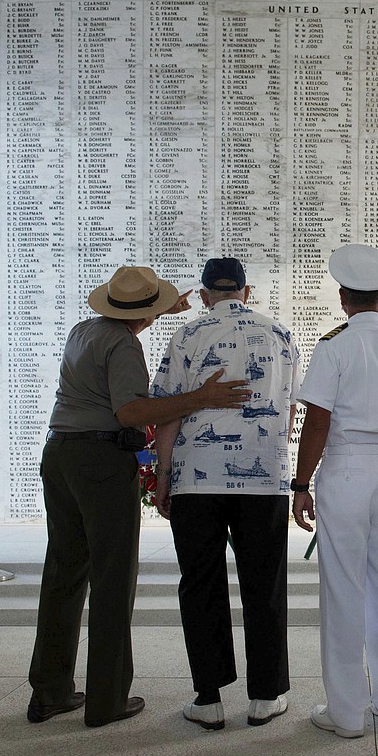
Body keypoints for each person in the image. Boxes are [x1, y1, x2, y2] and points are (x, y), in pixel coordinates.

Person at [28, 266, 252, 728]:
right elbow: (130, 410)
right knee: (112, 581)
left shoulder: (84, 330)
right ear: (147, 312)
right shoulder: (124, 344)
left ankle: (49, 692)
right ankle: (107, 699)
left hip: (61, 455)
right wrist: (200, 397)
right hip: (101, 463)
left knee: (64, 575)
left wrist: (154, 312)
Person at [151, 258, 302, 731]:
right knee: (265, 583)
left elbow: (167, 412)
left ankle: (209, 699)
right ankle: (265, 696)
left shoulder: (188, 336)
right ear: (246, 291)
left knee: (200, 583)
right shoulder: (281, 337)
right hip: (265, 482)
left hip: (198, 480)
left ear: (203, 295)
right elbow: (292, 409)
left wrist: (163, 473)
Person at [291, 244, 378, 738]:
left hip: (347, 470)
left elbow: (318, 421)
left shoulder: (335, 345)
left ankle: (346, 713)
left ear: (344, 297)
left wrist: (301, 483)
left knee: (343, 589)